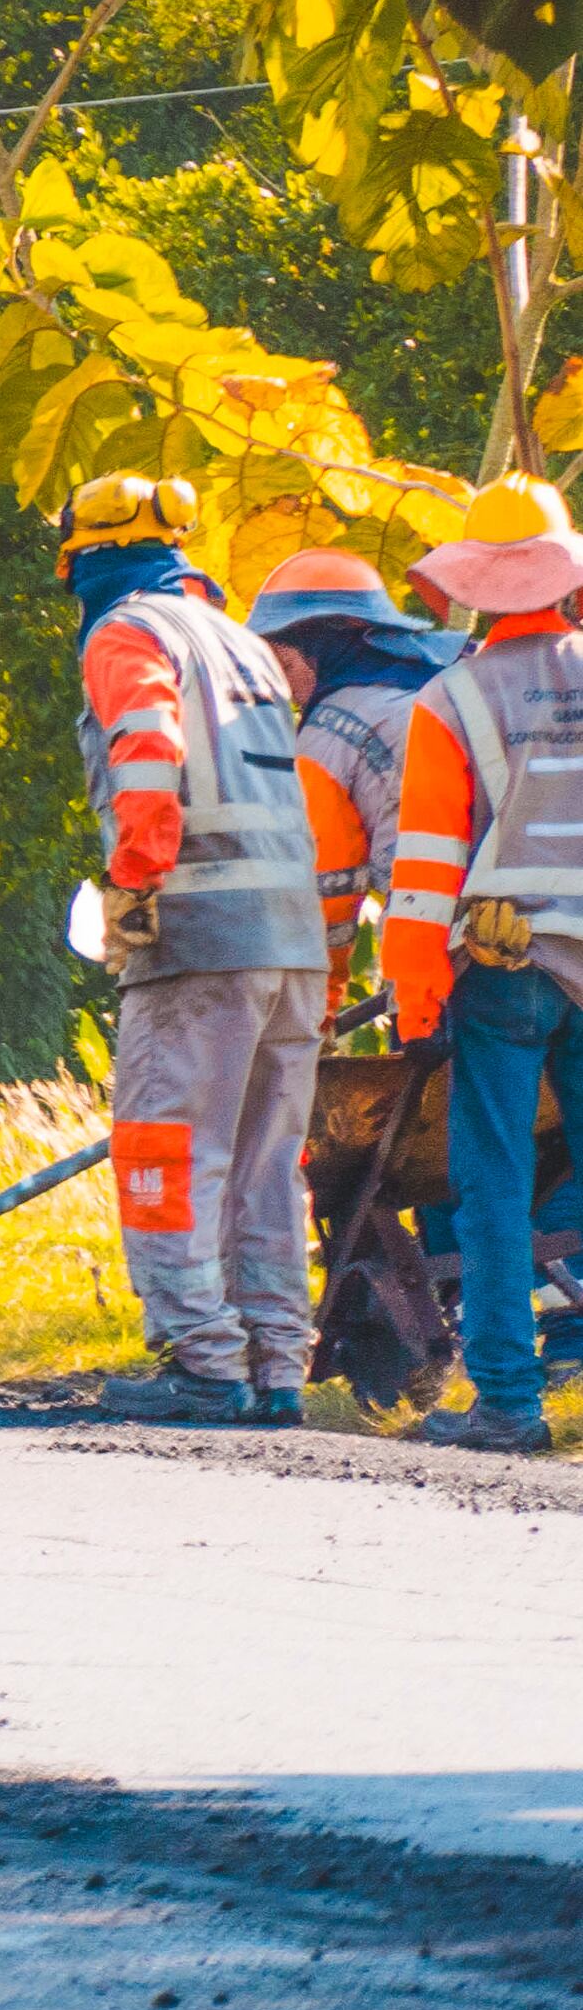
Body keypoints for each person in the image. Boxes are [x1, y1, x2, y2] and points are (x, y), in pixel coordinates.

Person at [64, 470, 328, 1426]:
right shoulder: (245, 644)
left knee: (166, 1146)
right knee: (267, 1160)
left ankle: (200, 1359)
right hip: (293, 941)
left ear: (85, 557)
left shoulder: (128, 630)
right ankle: (275, 1361)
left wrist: (136, 880)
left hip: (201, 929)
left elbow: (146, 753)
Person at [379, 475, 583, 1451]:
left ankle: (507, 1401)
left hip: (503, 973)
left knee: (494, 1183)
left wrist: (416, 1002)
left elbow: (420, 881)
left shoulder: (447, 700)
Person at [253, 549, 472, 987]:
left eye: (285, 664)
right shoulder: (471, 677)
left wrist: (322, 1001)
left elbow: (328, 886)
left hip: (437, 939)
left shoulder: (326, 737)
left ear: (325, 645)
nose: (289, 693)